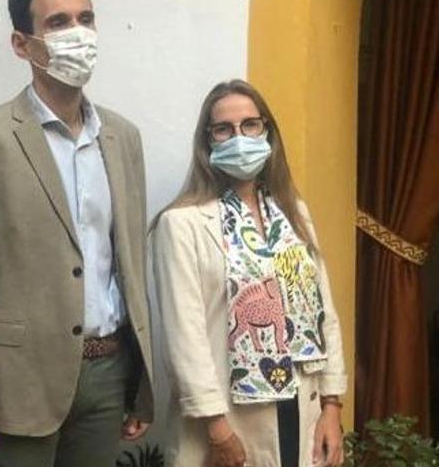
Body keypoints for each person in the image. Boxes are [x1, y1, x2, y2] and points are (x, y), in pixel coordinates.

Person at [0, 0, 154, 466]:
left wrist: (139, 379)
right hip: (16, 385)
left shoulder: (123, 138)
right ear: (21, 44)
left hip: (107, 373)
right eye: (58, 23)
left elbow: (129, 265)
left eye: (86, 19)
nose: (78, 33)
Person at [149, 79, 348, 467]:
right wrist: (217, 429)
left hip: (301, 403)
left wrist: (332, 405)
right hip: (227, 419)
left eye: (250, 125)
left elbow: (326, 315)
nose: (238, 136)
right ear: (208, 141)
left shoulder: (293, 214)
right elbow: (183, 337)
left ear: (266, 131)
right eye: (224, 128)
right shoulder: (182, 223)